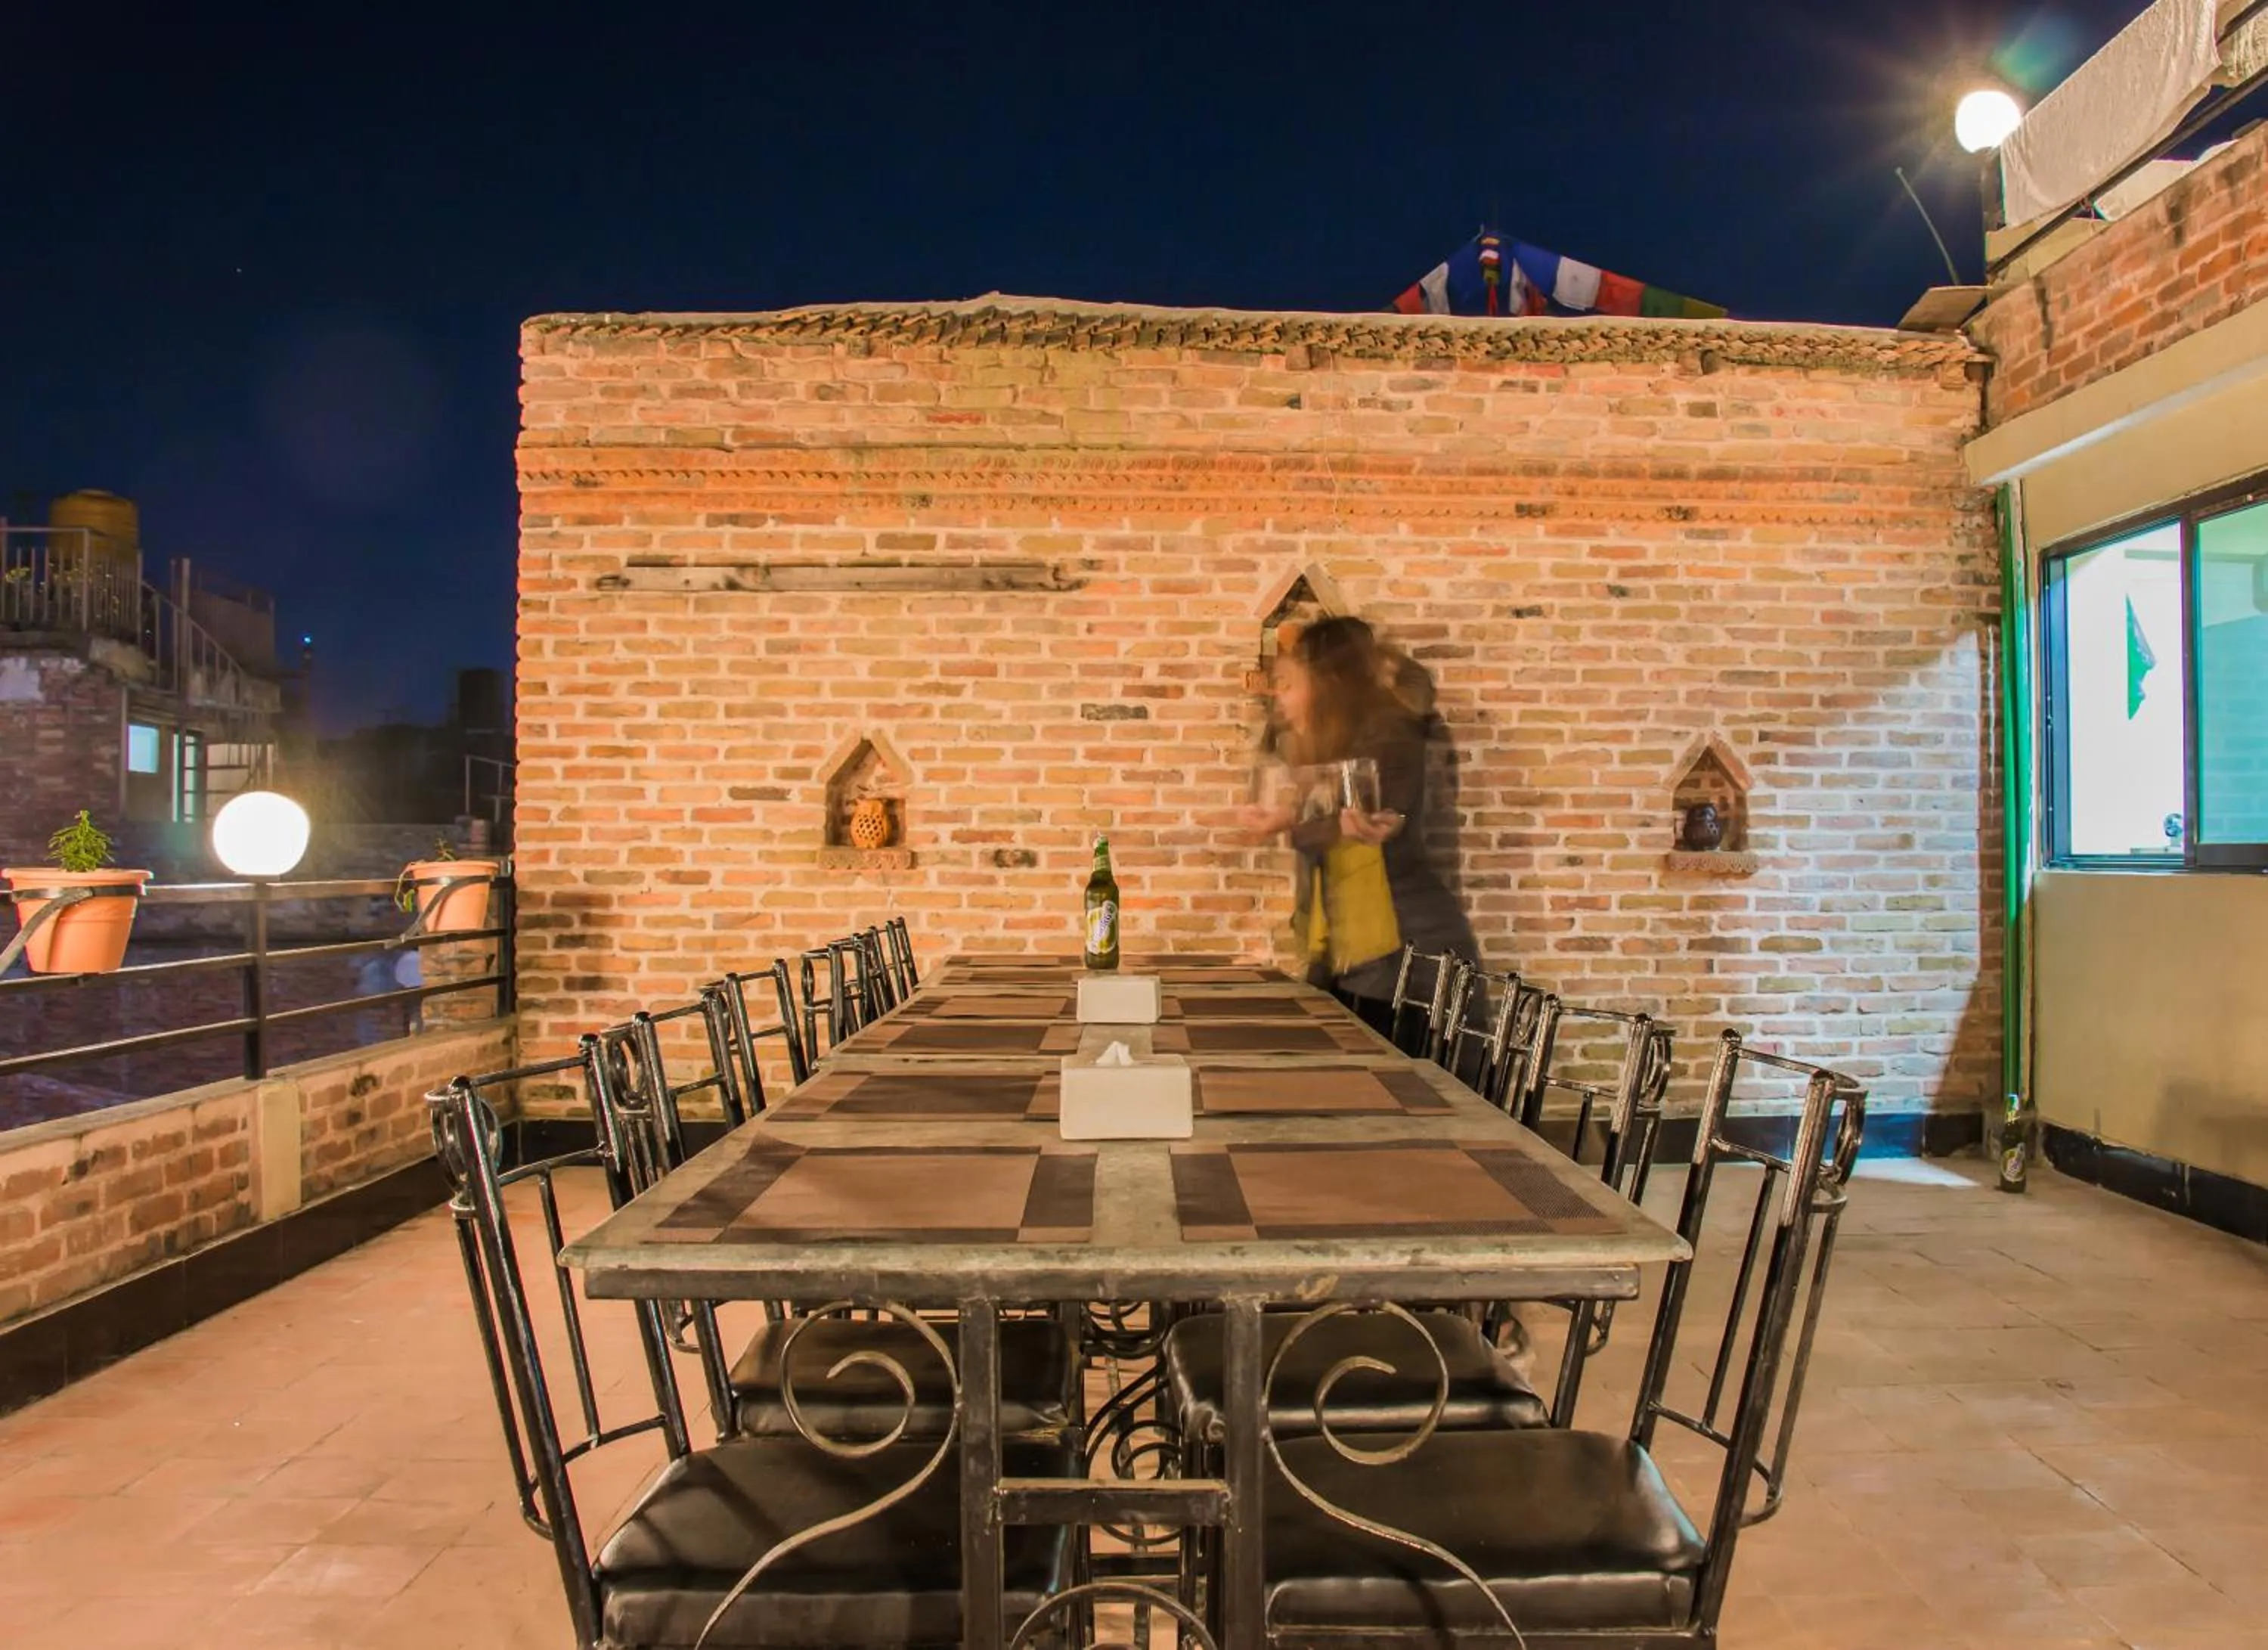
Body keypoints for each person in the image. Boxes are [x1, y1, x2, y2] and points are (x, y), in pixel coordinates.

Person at [1236, 616, 1479, 1032]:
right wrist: (1291, 817)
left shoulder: (1390, 734)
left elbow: (1387, 816)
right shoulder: (1336, 749)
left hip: (1404, 955)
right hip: (1356, 952)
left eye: (1290, 684)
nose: (1281, 699)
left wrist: (1309, 821)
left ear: (1326, 682)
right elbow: (1325, 824)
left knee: (1387, 1086)